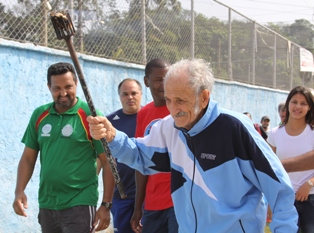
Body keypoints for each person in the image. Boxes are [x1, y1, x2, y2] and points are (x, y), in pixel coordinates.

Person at [87, 58, 298, 232]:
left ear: (204, 97)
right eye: (169, 99)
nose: (173, 108)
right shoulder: (168, 127)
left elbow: (279, 189)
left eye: (180, 100)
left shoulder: (235, 128)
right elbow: (141, 157)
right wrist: (113, 136)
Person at [12, 62, 115, 232]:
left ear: (76, 84)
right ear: (49, 87)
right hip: (47, 203)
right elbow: (28, 158)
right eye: (57, 88)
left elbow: (108, 161)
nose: (63, 93)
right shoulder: (40, 115)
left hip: (79, 202)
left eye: (68, 86)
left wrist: (106, 204)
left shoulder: (90, 116)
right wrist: (19, 191)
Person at [131, 58, 178, 233]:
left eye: (168, 79)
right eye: (159, 80)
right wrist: (138, 207)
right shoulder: (144, 114)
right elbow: (141, 159)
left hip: (178, 201)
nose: (164, 85)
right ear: (146, 81)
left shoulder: (180, 110)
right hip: (152, 204)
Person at [267, 86, 314, 233]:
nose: (298, 107)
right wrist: (269, 200)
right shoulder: (274, 134)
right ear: (288, 104)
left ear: (309, 108)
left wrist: (309, 184)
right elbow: (269, 169)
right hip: (284, 199)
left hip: (310, 199)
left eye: (303, 103)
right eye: (294, 102)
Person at [106, 78, 143, 233]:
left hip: (146, 195)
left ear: (141, 94)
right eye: (125, 94)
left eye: (134, 93)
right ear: (119, 96)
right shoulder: (110, 122)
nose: (130, 97)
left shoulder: (149, 117)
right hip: (121, 195)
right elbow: (102, 158)